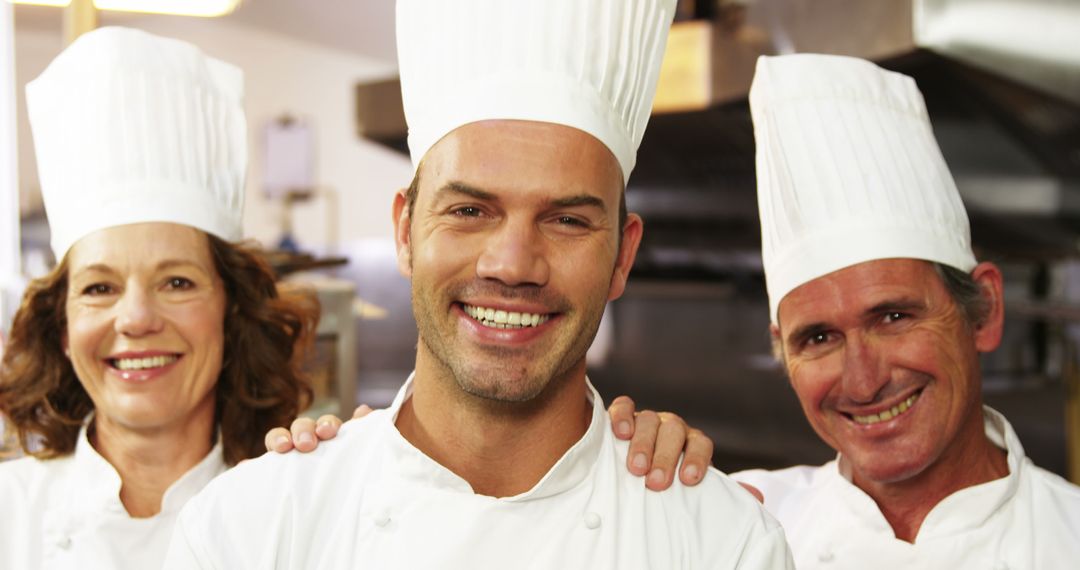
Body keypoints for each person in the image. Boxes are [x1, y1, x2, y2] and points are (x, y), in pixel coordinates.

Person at [164, 0, 792, 568]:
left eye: (567, 219)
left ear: (623, 256)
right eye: (469, 211)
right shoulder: (250, 528)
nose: (513, 264)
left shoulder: (720, 542)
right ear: (406, 232)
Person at [729, 54, 1080, 568]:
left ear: (984, 310)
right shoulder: (738, 525)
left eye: (893, 317)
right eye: (819, 338)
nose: (864, 381)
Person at [0, 27, 318, 569]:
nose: (137, 318)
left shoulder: (297, 509)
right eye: (99, 288)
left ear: (231, 311)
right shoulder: (10, 515)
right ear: (63, 328)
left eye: (177, 282)